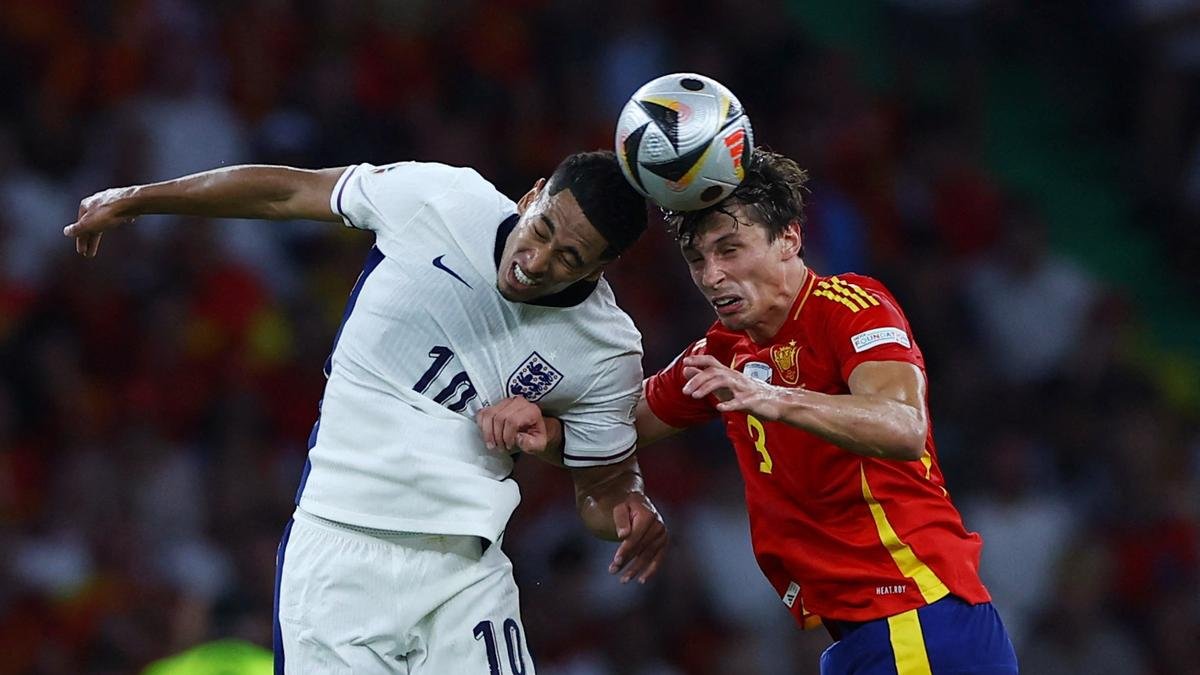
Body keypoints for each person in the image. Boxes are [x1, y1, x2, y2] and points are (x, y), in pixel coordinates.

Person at [63, 151, 669, 674]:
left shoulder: (605, 350)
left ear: (601, 268)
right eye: (541, 230)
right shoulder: (440, 199)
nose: (536, 262)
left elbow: (604, 490)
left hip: (464, 570)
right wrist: (140, 198)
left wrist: (628, 509)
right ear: (533, 195)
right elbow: (288, 191)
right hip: (338, 553)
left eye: (570, 258)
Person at [496, 150, 1018, 674]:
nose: (712, 275)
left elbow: (904, 426)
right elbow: (615, 429)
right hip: (868, 632)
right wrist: (547, 431)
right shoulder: (724, 352)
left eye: (730, 249)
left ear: (788, 238)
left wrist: (772, 397)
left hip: (917, 616)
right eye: (697, 259)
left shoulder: (850, 307)